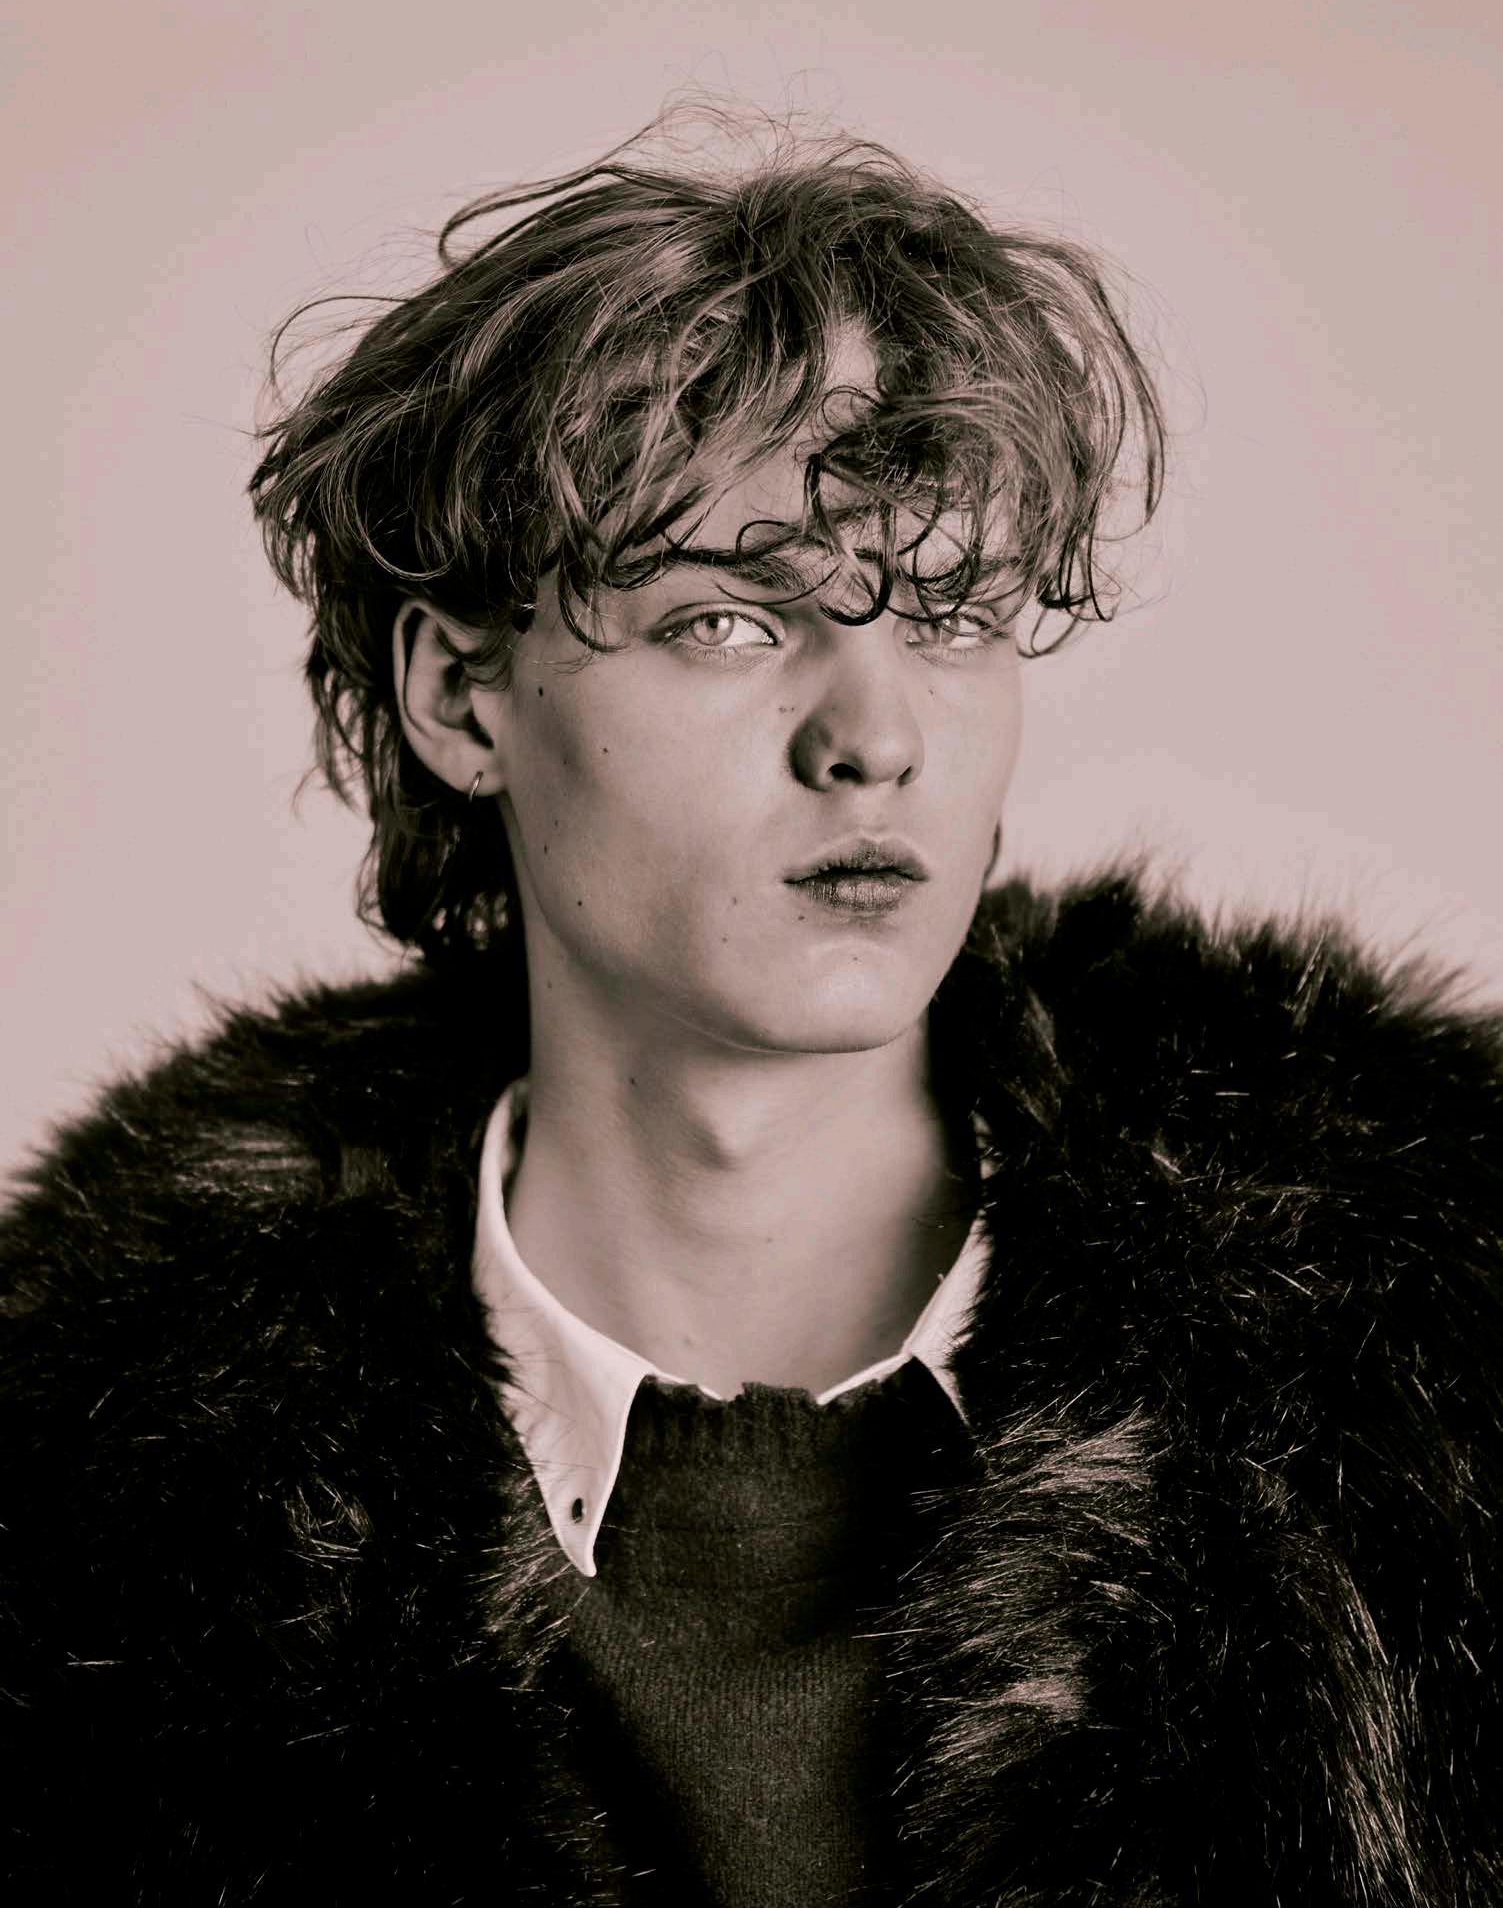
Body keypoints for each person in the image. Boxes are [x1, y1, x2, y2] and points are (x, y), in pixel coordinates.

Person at [2, 113, 1500, 1907]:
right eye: (732, 619)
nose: (877, 736)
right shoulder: (78, 1489)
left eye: (949, 615)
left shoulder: (1439, 1373)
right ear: (462, 695)